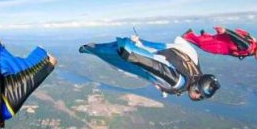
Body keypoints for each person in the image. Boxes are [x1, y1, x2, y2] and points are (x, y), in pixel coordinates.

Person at [80, 34, 220, 101]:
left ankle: (94, 49)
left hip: (152, 53)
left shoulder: (194, 62)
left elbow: (177, 45)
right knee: (118, 65)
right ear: (196, 85)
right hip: (143, 61)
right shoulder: (179, 82)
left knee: (118, 65)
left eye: (200, 97)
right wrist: (131, 55)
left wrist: (142, 42)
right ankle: (91, 48)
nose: (197, 97)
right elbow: (156, 67)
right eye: (199, 93)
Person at [183, 27, 257, 60]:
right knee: (205, 46)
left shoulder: (252, 50)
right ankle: (188, 35)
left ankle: (201, 35)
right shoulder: (248, 47)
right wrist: (225, 31)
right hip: (224, 46)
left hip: (226, 45)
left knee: (208, 41)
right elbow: (237, 37)